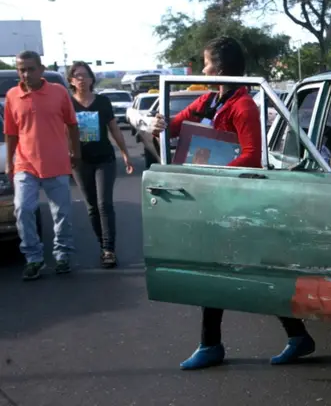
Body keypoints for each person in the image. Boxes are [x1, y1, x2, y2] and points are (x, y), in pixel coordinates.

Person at [151, 36, 316, 370]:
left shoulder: (243, 106)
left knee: (235, 270)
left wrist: (214, 175)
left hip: (236, 201)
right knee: (231, 270)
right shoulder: (210, 100)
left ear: (220, 68)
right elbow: (175, 126)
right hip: (215, 198)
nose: (202, 69)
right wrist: (160, 124)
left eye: (206, 63)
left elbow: (252, 156)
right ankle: (287, 337)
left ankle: (216, 344)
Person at [3, 50, 81, 281]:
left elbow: (72, 124)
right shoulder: (13, 96)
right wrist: (9, 162)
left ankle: (62, 255)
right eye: (21, 70)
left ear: (41, 69)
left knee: (62, 213)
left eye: (30, 69)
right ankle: (33, 257)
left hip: (56, 162)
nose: (26, 74)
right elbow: (10, 133)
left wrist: (75, 153)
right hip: (25, 163)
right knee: (23, 209)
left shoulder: (58, 92)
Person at [67, 61, 134, 268]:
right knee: (92, 207)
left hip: (104, 159)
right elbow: (61, 133)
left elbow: (114, 129)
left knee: (104, 204)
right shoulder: (68, 104)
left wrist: (125, 153)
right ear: (71, 80)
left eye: (85, 75)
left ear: (91, 79)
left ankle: (108, 249)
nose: (81, 79)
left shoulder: (103, 102)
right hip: (80, 162)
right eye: (77, 76)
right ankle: (102, 244)